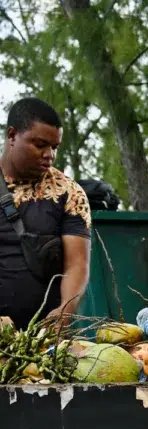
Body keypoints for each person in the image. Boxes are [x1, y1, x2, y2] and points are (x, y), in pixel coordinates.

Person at [0, 98, 91, 328]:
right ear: (12, 135)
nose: (49, 155)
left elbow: (77, 265)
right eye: (40, 145)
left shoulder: (69, 192)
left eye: (54, 147)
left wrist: (64, 312)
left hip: (47, 339)